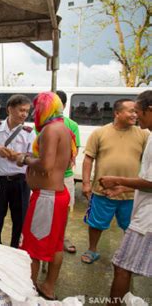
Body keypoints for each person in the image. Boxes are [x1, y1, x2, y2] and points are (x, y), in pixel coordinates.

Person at [16, 91, 76, 300]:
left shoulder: (51, 130)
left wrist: (25, 160)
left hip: (47, 198)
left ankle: (30, 291)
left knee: (32, 247)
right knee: (56, 244)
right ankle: (48, 286)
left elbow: (46, 165)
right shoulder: (64, 129)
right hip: (56, 195)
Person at [97, 91, 152, 306]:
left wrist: (118, 179)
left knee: (121, 265)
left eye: (139, 112)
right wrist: (123, 187)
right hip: (144, 211)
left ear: (150, 110)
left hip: (147, 219)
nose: (137, 117)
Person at [81, 99, 149, 264]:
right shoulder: (100, 133)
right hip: (102, 191)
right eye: (131, 111)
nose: (135, 114)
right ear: (117, 113)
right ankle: (92, 250)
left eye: (136, 111)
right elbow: (88, 159)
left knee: (131, 227)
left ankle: (129, 255)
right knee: (96, 223)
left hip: (131, 193)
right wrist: (86, 183)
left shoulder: (144, 134)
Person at [0, 94, 34, 248]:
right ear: (10, 109)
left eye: (27, 111)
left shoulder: (29, 132)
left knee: (20, 219)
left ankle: (16, 249)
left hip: (20, 181)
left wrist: (19, 157)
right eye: (21, 110)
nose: (24, 114)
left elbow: (33, 156)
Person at [56, 90, 81, 254]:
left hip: (64, 177)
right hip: (44, 177)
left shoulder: (71, 125)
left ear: (64, 106)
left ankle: (61, 238)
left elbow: (75, 151)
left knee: (63, 209)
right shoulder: (39, 125)